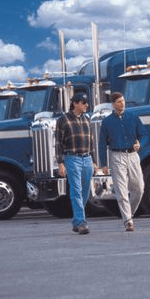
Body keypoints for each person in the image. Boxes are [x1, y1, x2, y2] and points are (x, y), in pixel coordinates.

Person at [99, 91, 147, 232]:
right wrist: (104, 164)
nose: (122, 103)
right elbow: (102, 144)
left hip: (133, 156)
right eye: (119, 101)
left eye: (123, 101)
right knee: (121, 190)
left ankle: (129, 213)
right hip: (116, 156)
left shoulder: (133, 117)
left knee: (139, 188)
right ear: (113, 105)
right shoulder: (107, 122)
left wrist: (140, 144)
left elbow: (144, 134)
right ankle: (128, 221)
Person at [56, 92, 96, 235]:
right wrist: (60, 162)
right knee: (76, 191)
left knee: (85, 191)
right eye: (83, 103)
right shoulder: (63, 120)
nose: (86, 105)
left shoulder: (87, 119)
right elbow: (58, 143)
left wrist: (94, 161)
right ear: (75, 103)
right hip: (72, 158)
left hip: (87, 159)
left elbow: (91, 142)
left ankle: (76, 220)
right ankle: (81, 222)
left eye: (86, 103)